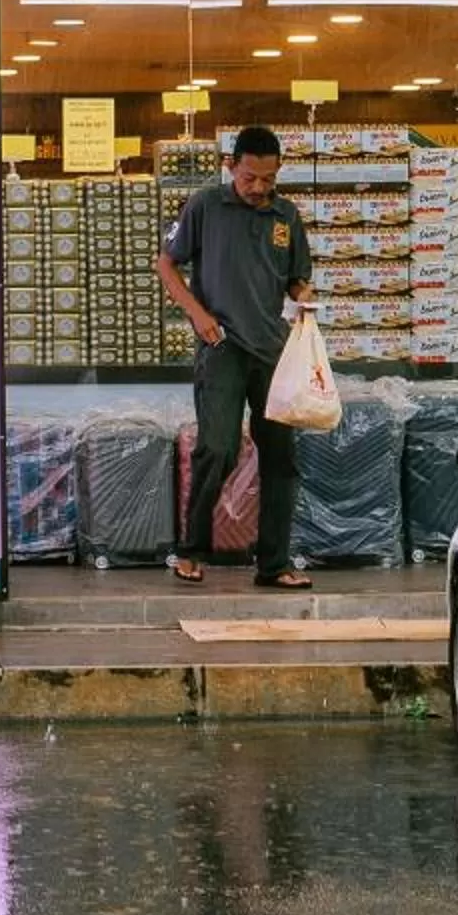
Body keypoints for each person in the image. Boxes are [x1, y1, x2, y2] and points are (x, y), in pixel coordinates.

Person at [155, 123, 317, 589]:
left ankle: (274, 564)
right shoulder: (205, 205)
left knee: (281, 460)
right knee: (218, 450)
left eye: (269, 179)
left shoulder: (287, 216)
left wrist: (305, 295)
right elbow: (167, 263)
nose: (259, 188)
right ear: (231, 167)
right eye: (250, 178)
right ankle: (190, 551)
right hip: (221, 346)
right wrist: (197, 315)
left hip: (273, 352)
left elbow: (295, 279)